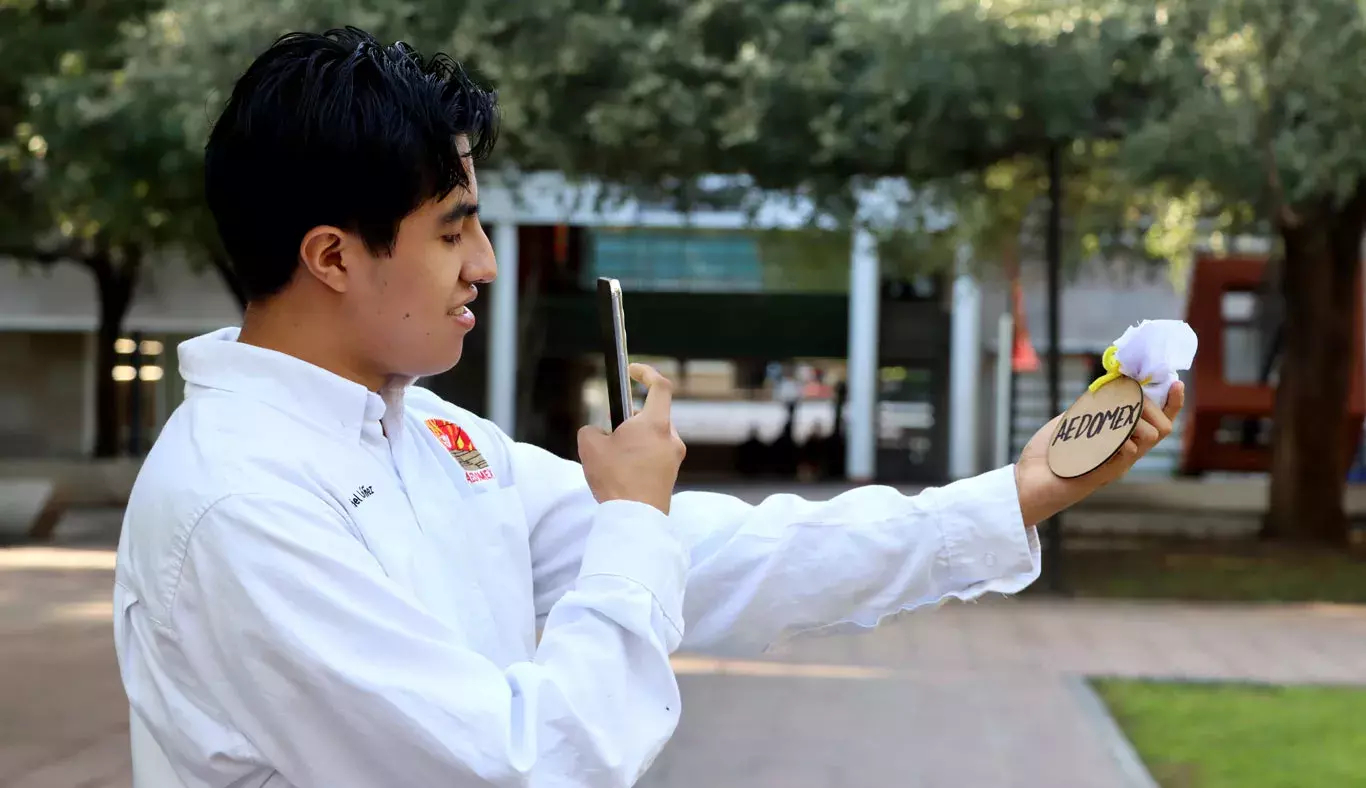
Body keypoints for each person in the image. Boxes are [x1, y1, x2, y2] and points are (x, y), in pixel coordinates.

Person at [113, 27, 1185, 788]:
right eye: (452, 230)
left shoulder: (429, 438)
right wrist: (630, 519)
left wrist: (1017, 493)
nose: (483, 263)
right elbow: (522, 762)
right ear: (332, 256)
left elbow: (731, 557)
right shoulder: (239, 502)